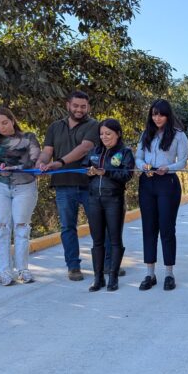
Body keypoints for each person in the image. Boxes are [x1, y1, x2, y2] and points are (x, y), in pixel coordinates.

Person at [36, 91, 100, 281]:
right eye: (76, 106)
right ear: (68, 105)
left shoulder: (94, 125)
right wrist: (41, 163)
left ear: (88, 107)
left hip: (89, 184)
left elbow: (84, 148)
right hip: (63, 185)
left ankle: (106, 262)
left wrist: (60, 163)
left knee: (98, 225)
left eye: (83, 106)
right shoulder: (55, 127)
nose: (79, 109)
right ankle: (73, 266)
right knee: (67, 227)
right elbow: (47, 151)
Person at [135, 99, 188, 291]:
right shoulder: (146, 134)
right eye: (154, 114)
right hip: (147, 181)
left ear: (168, 115)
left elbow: (183, 162)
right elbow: (138, 157)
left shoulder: (178, 135)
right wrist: (143, 167)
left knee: (166, 228)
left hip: (168, 182)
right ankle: (150, 273)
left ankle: (169, 273)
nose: (157, 118)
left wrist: (168, 168)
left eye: (161, 114)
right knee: (149, 228)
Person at [0, 107, 41, 286]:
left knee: (22, 227)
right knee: (0, 227)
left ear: (12, 120)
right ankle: (3, 271)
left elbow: (34, 160)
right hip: (0, 187)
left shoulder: (28, 138)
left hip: (24, 187)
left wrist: (15, 168)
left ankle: (23, 270)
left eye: (5, 122)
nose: (1, 127)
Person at [83, 119, 134, 292]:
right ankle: (98, 278)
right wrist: (88, 172)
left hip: (114, 200)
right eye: (102, 133)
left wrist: (107, 172)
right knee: (97, 241)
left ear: (118, 134)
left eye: (108, 134)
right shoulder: (94, 151)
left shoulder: (125, 152)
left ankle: (113, 277)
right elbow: (84, 169)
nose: (104, 137)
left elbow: (127, 174)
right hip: (93, 200)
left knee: (114, 239)